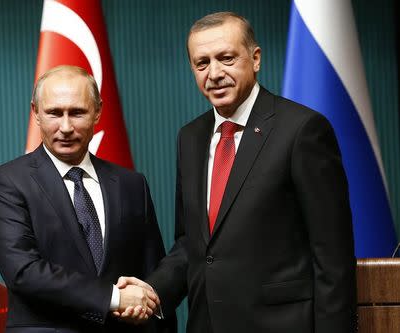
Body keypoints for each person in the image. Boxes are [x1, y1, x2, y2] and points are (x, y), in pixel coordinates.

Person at [117, 12, 356, 332]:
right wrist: (153, 291)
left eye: (226, 58)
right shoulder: (190, 137)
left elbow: (333, 257)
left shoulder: (302, 130)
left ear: (255, 59)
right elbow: (192, 243)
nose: (214, 73)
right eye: (202, 63)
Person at [0, 65, 176, 333]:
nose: (66, 127)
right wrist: (116, 298)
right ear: (36, 113)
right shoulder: (5, 182)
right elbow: (23, 272)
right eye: (54, 113)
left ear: (97, 111)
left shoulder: (132, 184)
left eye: (77, 112)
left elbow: (151, 271)